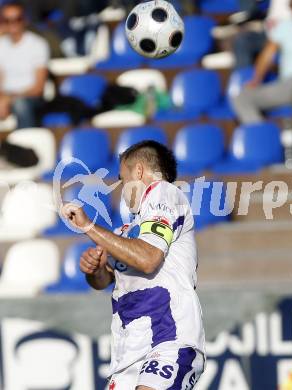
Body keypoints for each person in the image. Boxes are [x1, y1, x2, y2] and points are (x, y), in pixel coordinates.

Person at [62, 140, 206, 390]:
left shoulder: (164, 193)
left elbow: (148, 259)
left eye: (123, 177)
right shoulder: (126, 231)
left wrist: (88, 227)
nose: (121, 187)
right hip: (129, 352)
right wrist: (94, 269)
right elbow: (103, 281)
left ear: (138, 171)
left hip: (169, 339)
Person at [231, 0, 292, 124]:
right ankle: (263, 138)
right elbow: (267, 55)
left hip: (289, 86)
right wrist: (256, 79)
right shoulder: (285, 26)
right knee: (242, 98)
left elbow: (267, 55)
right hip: (289, 85)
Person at [0, 1, 49, 128]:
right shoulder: (1, 45)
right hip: (6, 97)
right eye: (7, 20)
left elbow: (38, 88)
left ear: (24, 20)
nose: (12, 23)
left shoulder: (38, 44)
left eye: (17, 19)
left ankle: (25, 145)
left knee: (21, 105)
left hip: (30, 98)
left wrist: (9, 99)